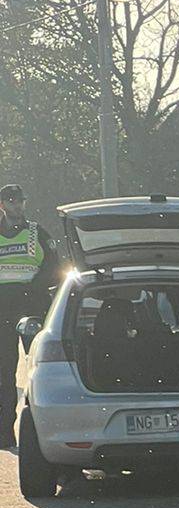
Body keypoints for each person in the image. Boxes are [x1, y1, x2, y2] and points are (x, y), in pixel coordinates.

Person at [0, 185, 63, 449]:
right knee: (3, 372)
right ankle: (5, 434)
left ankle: (42, 434)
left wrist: (34, 288)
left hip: (32, 305)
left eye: (21, 201)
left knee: (41, 368)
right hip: (3, 307)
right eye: (12, 201)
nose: (18, 206)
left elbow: (54, 266)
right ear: (2, 203)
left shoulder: (37, 231)